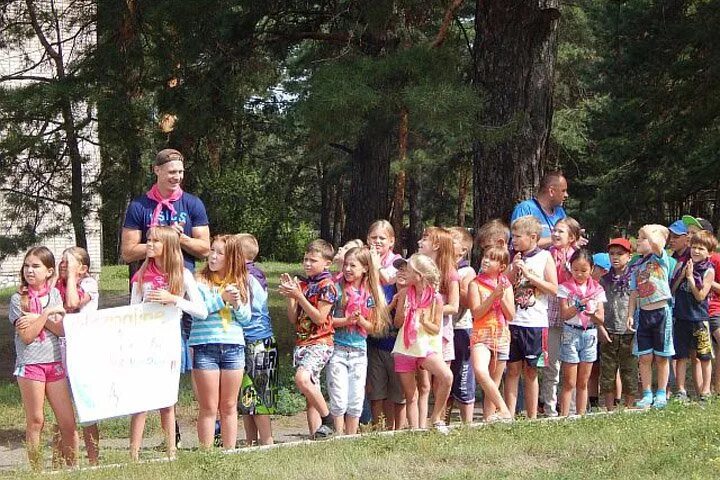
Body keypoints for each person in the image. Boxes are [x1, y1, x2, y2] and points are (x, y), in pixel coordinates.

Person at [121, 148, 211, 447]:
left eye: (181, 173)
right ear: (156, 170)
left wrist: (177, 238)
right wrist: (152, 244)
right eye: (172, 172)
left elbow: (205, 248)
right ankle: (169, 437)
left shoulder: (192, 203)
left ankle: (207, 429)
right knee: (151, 369)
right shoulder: (139, 206)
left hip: (180, 285)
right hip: (148, 286)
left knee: (188, 364)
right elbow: (126, 252)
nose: (177, 177)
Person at [129, 226, 208, 460]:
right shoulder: (141, 275)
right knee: (140, 399)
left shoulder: (183, 275)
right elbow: (132, 310)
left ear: (169, 246)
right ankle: (133, 453)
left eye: (155, 241)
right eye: (148, 240)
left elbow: (201, 310)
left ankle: (171, 451)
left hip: (169, 342)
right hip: (144, 342)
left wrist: (173, 299)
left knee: (167, 398)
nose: (149, 245)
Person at [10, 247, 78, 470]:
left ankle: (72, 467)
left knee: (67, 421)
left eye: (35, 266)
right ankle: (36, 469)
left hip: (54, 362)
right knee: (36, 420)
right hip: (31, 365)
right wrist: (48, 314)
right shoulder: (18, 299)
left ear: (49, 271)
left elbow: (61, 331)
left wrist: (40, 316)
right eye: (27, 266)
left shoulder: (55, 295)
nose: (29, 270)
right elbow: (28, 336)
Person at [191, 235, 251, 449]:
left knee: (229, 405)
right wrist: (221, 298)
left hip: (234, 347)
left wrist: (236, 304)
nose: (213, 256)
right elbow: (199, 312)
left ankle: (229, 452)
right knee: (209, 406)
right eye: (211, 251)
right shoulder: (198, 281)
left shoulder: (241, 282)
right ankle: (206, 453)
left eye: (219, 253)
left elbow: (246, 319)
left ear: (231, 257)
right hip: (206, 347)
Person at [278, 239, 337, 439]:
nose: (307, 264)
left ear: (327, 263)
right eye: (305, 259)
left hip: (320, 342)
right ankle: (317, 435)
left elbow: (320, 318)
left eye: (313, 260)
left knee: (302, 379)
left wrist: (300, 296)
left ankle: (329, 419)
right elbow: (293, 318)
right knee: (311, 392)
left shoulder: (327, 285)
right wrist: (291, 294)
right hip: (303, 342)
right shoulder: (303, 284)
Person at [328, 247, 388, 435]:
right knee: (338, 396)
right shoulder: (336, 288)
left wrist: (361, 321)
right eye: (345, 264)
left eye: (353, 265)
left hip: (359, 351)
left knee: (355, 397)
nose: (347, 269)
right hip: (337, 348)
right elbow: (325, 321)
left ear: (365, 268)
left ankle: (351, 436)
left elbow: (376, 327)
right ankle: (338, 434)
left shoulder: (371, 293)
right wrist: (346, 321)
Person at [391, 254, 453, 432]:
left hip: (425, 347)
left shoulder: (436, 299)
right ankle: (415, 430)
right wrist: (403, 312)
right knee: (411, 394)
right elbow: (397, 323)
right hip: (405, 347)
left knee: (447, 377)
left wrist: (424, 321)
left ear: (419, 275)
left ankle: (436, 418)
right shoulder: (404, 293)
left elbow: (435, 328)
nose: (404, 273)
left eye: (409, 270)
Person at [506, 216, 558, 419]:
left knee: (531, 371)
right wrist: (513, 268)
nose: (514, 241)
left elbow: (553, 289)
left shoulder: (545, 257)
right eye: (513, 236)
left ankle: (532, 416)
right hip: (513, 321)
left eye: (518, 236)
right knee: (511, 369)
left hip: (535, 324)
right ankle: (508, 414)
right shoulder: (514, 257)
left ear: (533, 237)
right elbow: (506, 284)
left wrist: (531, 276)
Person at [55, 247, 100, 465]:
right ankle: (62, 460)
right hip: (59, 351)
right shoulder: (57, 286)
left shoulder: (89, 284)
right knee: (61, 409)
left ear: (83, 269)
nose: (64, 266)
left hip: (82, 352)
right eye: (62, 262)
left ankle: (93, 460)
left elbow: (72, 304)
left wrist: (71, 276)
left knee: (86, 408)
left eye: (69, 263)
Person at [236, 233, 277, 446]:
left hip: (258, 341)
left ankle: (267, 441)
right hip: (253, 340)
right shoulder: (255, 273)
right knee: (247, 395)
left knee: (259, 396)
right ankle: (251, 441)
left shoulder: (246, 275)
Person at [626, 224, 673, 409]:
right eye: (638, 236)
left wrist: (648, 231)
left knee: (662, 357)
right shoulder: (636, 265)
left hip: (662, 312)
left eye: (642, 237)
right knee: (644, 357)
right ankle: (647, 393)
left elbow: (655, 244)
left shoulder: (662, 259)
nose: (639, 240)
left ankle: (661, 392)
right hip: (643, 313)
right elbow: (634, 292)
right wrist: (630, 314)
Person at [365, 220, 406, 430]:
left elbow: (389, 279)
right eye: (374, 237)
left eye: (382, 238)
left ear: (391, 241)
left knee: (396, 386)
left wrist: (375, 263)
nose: (378, 241)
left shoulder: (396, 261)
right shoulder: (366, 258)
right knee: (376, 385)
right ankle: (378, 427)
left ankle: (396, 428)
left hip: (393, 331)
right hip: (371, 330)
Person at [417, 227, 459, 427]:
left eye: (424, 239)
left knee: (442, 379)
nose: (419, 242)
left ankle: (438, 419)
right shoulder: (417, 268)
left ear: (436, 245)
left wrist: (434, 309)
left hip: (441, 333)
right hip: (419, 333)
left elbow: (455, 305)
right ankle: (420, 423)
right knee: (423, 383)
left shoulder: (450, 272)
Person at [557, 250, 607, 416]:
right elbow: (564, 314)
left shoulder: (598, 290)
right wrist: (579, 305)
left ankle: (581, 415)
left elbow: (601, 319)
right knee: (569, 381)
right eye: (575, 269)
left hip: (590, 335)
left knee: (583, 381)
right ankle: (564, 415)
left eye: (584, 270)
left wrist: (592, 313)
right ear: (570, 267)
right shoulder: (565, 288)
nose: (579, 273)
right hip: (571, 333)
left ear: (592, 269)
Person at [468, 245, 514, 421]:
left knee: (493, 383)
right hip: (481, 333)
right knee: (480, 370)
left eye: (492, 258)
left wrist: (501, 296)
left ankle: (490, 419)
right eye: (485, 256)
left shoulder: (506, 285)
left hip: (501, 334)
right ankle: (504, 409)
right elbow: (476, 312)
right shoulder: (475, 283)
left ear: (501, 266)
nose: (486, 260)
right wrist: (493, 296)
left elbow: (511, 315)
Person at [540, 217, 581, 417]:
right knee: (551, 363)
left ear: (572, 237)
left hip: (571, 315)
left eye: (561, 231)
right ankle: (549, 408)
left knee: (571, 364)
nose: (555, 234)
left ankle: (571, 408)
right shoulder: (546, 255)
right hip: (550, 314)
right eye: (554, 230)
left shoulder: (577, 258)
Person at [671, 230, 716, 401]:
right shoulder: (685, 264)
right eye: (694, 247)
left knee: (703, 356)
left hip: (699, 319)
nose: (696, 251)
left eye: (701, 249)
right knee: (680, 356)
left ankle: (705, 390)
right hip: (682, 317)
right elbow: (673, 290)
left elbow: (701, 296)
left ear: (709, 253)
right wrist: (682, 275)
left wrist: (690, 278)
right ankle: (681, 390)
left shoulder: (708, 270)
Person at [598, 238, 638, 410]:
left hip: (629, 331)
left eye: (620, 254)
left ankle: (629, 406)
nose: (615, 257)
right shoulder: (604, 279)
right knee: (607, 372)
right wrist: (600, 327)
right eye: (612, 254)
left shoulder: (635, 277)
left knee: (629, 371)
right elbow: (597, 305)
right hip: (609, 330)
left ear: (629, 256)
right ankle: (609, 408)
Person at [447, 227, 477, 424]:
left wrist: (454, 283)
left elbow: (467, 301)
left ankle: (467, 423)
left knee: (463, 374)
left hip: (462, 329)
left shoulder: (467, 270)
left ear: (463, 250)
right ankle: (443, 419)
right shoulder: (441, 267)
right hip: (443, 330)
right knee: (445, 376)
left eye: (452, 241)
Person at [510, 171, 569, 249]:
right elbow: (518, 243)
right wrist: (557, 239)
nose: (566, 195)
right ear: (551, 191)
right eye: (563, 191)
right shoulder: (525, 209)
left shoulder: (560, 212)